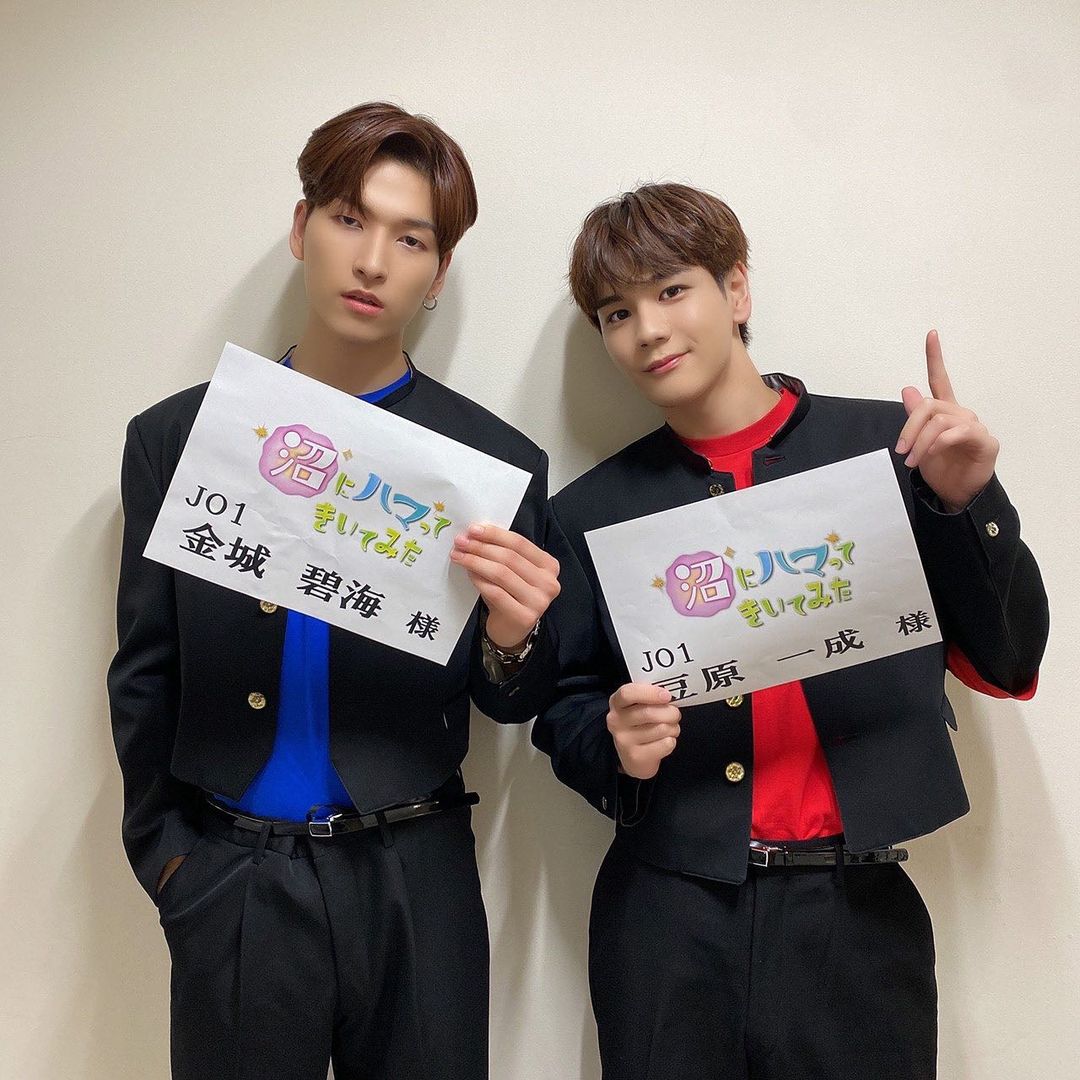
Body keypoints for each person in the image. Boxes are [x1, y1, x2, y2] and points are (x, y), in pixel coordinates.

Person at [532, 182, 1048, 1079]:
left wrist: (971, 504)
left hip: (857, 910)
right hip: (667, 916)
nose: (647, 329)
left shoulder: (893, 450)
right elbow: (562, 704)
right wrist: (610, 741)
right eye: (616, 313)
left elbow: (1009, 662)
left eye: (671, 290)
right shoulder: (591, 514)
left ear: (737, 288)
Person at [108, 101, 561, 1080]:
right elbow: (143, 669)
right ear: (301, 227)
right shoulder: (179, 440)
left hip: (417, 872)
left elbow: (514, 699)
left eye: (411, 239)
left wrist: (513, 638)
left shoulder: (492, 466)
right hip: (232, 874)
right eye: (350, 219)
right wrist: (171, 860)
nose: (372, 261)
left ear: (438, 272)